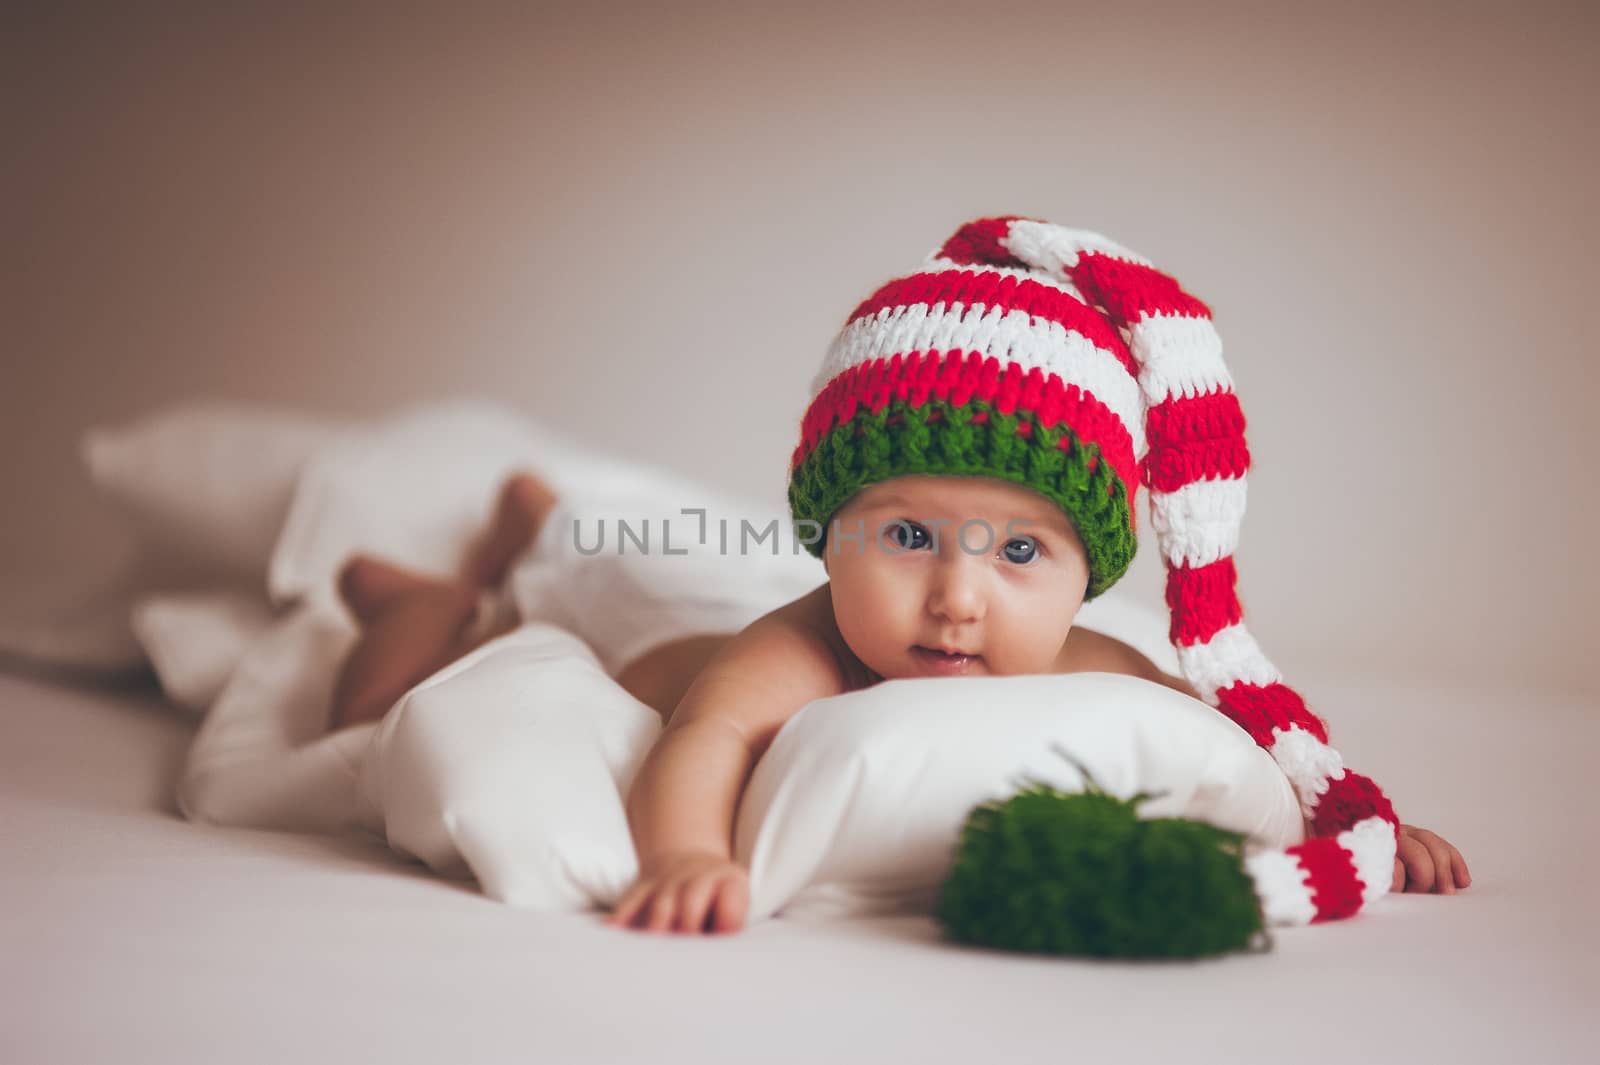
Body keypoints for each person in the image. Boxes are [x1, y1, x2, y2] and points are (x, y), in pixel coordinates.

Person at [329, 216, 1470, 938]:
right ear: (828, 536)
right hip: (642, 627)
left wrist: (1360, 829)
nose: (957, 598)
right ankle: (437, 590)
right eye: (907, 537)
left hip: (683, 581)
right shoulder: (794, 651)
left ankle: (537, 510)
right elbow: (704, 742)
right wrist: (686, 855)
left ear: (1089, 574)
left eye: (1019, 553)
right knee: (427, 682)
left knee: (606, 527)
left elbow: (1231, 746)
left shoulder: (1099, 664)